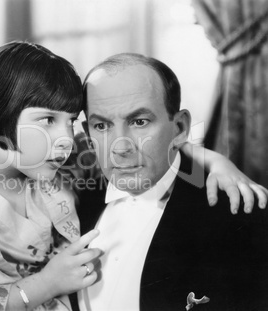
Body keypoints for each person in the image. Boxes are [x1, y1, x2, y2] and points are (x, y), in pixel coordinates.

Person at [0, 41, 266, 311]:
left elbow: (150, 147)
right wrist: (42, 286)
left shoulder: (53, 155)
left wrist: (215, 162)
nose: (66, 139)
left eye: (72, 121)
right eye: (47, 120)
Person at [77, 53, 268, 311]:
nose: (120, 147)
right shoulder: (70, 202)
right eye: (102, 126)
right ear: (87, 134)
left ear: (179, 128)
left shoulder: (240, 216)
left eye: (139, 122)